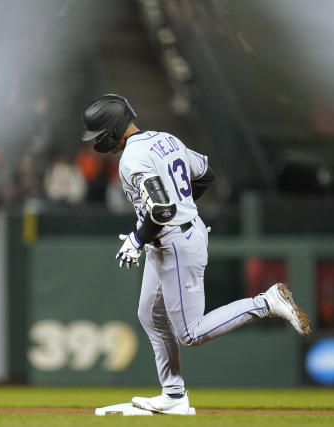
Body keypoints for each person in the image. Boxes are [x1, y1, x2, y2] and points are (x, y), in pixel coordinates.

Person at [81, 94, 311, 415]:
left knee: (190, 333)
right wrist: (179, 210)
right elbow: (205, 174)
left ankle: (266, 303)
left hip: (174, 241)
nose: (98, 142)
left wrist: (136, 238)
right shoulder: (166, 139)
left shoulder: (131, 159)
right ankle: (173, 395)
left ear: (110, 130)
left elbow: (161, 210)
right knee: (149, 314)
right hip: (172, 236)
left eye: (99, 134)